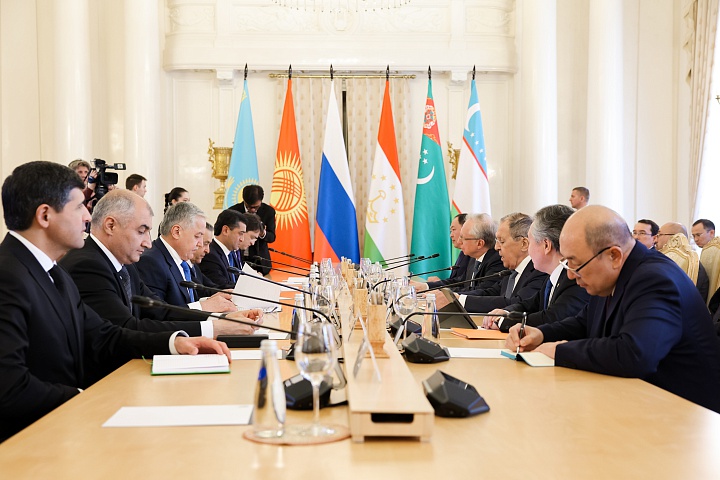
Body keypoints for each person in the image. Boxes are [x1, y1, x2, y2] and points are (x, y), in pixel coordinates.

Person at [0, 161, 230, 442]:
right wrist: (89, 400)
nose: (88, 216)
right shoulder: (8, 277)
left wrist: (175, 342)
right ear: (45, 215)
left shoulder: (54, 272)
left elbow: (103, 335)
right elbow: (10, 386)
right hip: (32, 441)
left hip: (65, 428)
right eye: (79, 207)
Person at [505, 205, 720, 413]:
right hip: (635, 399)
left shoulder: (654, 279)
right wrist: (541, 334)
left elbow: (635, 353)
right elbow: (585, 321)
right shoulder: (614, 274)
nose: (570, 274)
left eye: (575, 263)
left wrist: (559, 351)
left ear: (614, 256)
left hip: (681, 413)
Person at [60, 191, 260, 384]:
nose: (148, 243)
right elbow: (125, 328)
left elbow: (160, 310)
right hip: (103, 381)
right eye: (141, 231)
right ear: (111, 225)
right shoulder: (88, 265)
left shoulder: (124, 264)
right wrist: (214, 328)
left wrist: (220, 319)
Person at [483, 205, 590, 332]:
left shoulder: (573, 277)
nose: (528, 250)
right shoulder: (553, 276)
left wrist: (505, 322)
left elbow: (553, 317)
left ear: (546, 245)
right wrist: (506, 312)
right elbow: (530, 305)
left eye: (531, 241)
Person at [136, 202, 237, 311]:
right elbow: (157, 313)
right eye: (197, 236)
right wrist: (203, 306)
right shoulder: (151, 262)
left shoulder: (181, 261)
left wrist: (213, 299)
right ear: (176, 232)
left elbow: (192, 299)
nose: (200, 244)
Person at [455, 212, 548, 313]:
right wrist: (456, 298)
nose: (496, 247)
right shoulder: (511, 272)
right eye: (497, 241)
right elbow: (490, 293)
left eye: (502, 241)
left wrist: (462, 300)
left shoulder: (539, 271)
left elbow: (516, 303)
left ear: (524, 244)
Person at [412, 213, 504, 294]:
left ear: (479, 243)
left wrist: (444, 294)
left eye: (463, 238)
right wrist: (427, 286)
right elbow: (460, 282)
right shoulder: (473, 257)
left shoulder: (496, 260)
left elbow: (482, 291)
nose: (459, 241)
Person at [229, 185, 276, 275]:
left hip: (260, 261)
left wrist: (262, 233)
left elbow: (272, 237)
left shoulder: (268, 211)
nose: (252, 210)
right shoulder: (233, 211)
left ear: (261, 201)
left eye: (256, 207)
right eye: (249, 207)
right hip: (239, 258)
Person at [656, 221, 709, 301]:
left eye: (659, 235)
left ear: (675, 238)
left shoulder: (689, 263)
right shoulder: (669, 259)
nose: (655, 239)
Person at [199, 209, 246, 289]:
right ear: (225, 230)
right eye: (240, 233)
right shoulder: (210, 255)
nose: (242, 239)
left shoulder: (232, 253)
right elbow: (221, 286)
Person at [424, 214, 471, 285]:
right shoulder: (463, 253)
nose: (451, 235)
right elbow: (456, 281)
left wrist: (438, 284)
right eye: (450, 231)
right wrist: (438, 283)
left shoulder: (472, 255)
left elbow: (462, 284)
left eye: (453, 230)